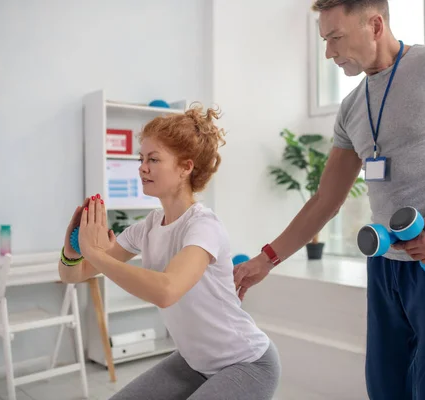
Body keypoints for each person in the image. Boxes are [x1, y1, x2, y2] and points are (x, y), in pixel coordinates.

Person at [233, 0, 425, 399]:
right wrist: (266, 258)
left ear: (374, 25)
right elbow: (325, 200)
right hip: (384, 268)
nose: (329, 53)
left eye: (335, 38)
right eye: (324, 40)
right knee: (386, 389)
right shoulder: (352, 106)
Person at [58, 104, 280, 400]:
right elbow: (75, 274)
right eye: (141, 159)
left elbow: (167, 290)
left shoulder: (203, 226)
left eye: (153, 159)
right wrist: (72, 250)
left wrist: (95, 254)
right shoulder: (148, 227)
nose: (142, 167)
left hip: (246, 363)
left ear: (185, 167)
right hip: (195, 363)